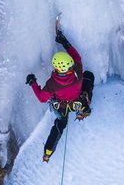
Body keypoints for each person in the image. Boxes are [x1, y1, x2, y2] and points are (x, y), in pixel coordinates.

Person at [26, 16, 95, 162]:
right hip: (77, 99)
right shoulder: (77, 71)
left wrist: (33, 82)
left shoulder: (52, 84)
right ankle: (84, 107)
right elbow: (77, 56)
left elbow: (41, 98)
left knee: (59, 126)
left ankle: (48, 153)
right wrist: (64, 41)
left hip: (62, 106)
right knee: (88, 77)